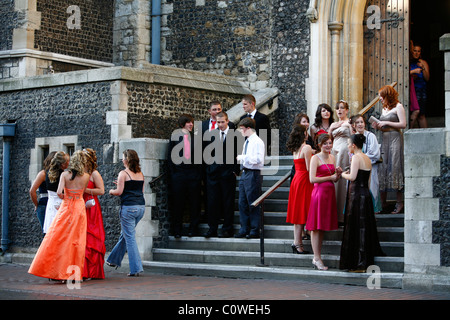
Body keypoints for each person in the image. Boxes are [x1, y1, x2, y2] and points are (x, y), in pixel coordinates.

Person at [28, 150, 90, 282]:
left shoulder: (49, 174)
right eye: (65, 162)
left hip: (54, 205)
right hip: (71, 206)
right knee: (71, 240)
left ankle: (52, 270)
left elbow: (35, 190)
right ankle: (67, 272)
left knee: (51, 239)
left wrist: (37, 204)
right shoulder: (80, 176)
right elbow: (78, 192)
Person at [340, 134, 385, 272]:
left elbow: (352, 177)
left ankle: (359, 263)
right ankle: (363, 261)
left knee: (356, 228)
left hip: (356, 196)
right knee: (364, 227)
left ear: (353, 145)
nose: (348, 146)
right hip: (365, 194)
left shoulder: (356, 158)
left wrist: (342, 174)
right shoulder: (367, 158)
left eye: (348, 144)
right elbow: (369, 180)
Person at [106, 149, 145, 277]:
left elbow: (119, 192)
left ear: (127, 160)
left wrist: (111, 190)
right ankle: (113, 260)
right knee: (126, 234)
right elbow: (140, 191)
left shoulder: (123, 173)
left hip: (128, 208)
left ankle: (136, 268)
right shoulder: (140, 173)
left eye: (123, 158)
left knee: (129, 238)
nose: (122, 160)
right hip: (140, 208)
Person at [306, 134, 341, 270]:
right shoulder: (315, 158)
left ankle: (318, 256)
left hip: (330, 194)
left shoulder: (332, 157)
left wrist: (337, 175)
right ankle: (316, 257)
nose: (328, 146)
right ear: (320, 145)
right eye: (325, 143)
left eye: (330, 143)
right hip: (319, 194)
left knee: (322, 228)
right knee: (316, 227)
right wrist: (330, 177)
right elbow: (312, 179)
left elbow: (334, 179)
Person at [204, 112, 240, 238]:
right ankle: (212, 228)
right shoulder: (212, 134)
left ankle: (227, 229)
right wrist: (209, 169)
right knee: (213, 202)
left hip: (228, 174)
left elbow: (239, 153)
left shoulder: (235, 135)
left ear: (227, 121)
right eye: (218, 122)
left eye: (222, 122)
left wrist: (235, 171)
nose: (220, 125)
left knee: (228, 202)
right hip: (213, 174)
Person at [371, 85, 406, 214]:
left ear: (388, 95)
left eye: (381, 96)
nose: (380, 98)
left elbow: (403, 124)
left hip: (395, 139)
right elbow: (384, 126)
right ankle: (382, 202)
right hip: (384, 138)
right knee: (383, 167)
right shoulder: (384, 109)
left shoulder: (398, 106)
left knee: (395, 166)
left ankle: (399, 202)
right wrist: (378, 126)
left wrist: (387, 123)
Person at [167, 114, 202, 237]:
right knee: (178, 204)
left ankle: (193, 229)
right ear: (182, 124)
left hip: (193, 175)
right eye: (188, 123)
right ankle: (177, 230)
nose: (191, 124)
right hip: (179, 175)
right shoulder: (175, 137)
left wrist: (198, 174)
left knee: (195, 203)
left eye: (192, 122)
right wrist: (174, 174)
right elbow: (170, 157)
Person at [235, 117, 265, 239]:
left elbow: (258, 160)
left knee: (252, 201)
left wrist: (243, 157)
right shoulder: (247, 141)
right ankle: (244, 228)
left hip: (253, 173)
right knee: (242, 202)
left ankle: (254, 229)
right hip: (245, 172)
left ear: (248, 128)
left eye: (242, 129)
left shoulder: (257, 141)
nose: (241, 131)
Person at [285, 125, 313, 254]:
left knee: (298, 213)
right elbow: (309, 168)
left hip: (296, 179)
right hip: (304, 180)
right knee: (303, 211)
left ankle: (297, 243)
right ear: (304, 134)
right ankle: (298, 243)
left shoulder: (296, 148)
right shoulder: (306, 147)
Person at [82, 148, 106, 280]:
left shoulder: (94, 173)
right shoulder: (80, 173)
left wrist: (86, 189)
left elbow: (101, 190)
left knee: (92, 235)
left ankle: (93, 271)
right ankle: (85, 270)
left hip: (91, 205)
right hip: (81, 204)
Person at [351, 114, 382, 214]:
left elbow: (375, 154)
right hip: (357, 170)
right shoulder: (352, 138)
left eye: (361, 122)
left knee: (371, 188)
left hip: (369, 168)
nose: (360, 124)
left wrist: (361, 159)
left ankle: (373, 211)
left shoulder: (370, 136)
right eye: (357, 122)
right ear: (353, 125)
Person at [328, 100, 352, 224]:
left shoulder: (350, 122)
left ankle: (343, 215)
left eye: (342, 108)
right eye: (337, 108)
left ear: (347, 110)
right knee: (334, 179)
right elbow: (327, 138)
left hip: (344, 151)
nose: (339, 110)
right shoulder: (334, 124)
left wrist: (348, 126)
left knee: (342, 181)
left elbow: (353, 136)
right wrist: (331, 128)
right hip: (334, 151)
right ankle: (334, 214)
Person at [42, 151, 70, 234]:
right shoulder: (64, 175)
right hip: (60, 203)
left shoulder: (48, 173)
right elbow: (60, 192)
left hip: (51, 203)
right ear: (62, 164)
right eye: (67, 161)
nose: (69, 163)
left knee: (51, 229)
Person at [29, 151, 56, 232]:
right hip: (45, 204)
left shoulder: (61, 174)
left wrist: (37, 205)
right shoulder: (43, 174)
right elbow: (32, 191)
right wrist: (37, 204)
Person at [410, 43, 430, 128]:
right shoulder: (408, 62)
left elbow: (427, 78)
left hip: (421, 90)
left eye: (418, 51)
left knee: (421, 114)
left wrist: (423, 68)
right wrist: (413, 72)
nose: (416, 53)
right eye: (415, 51)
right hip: (412, 90)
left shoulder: (423, 62)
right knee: (414, 112)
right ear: (411, 51)